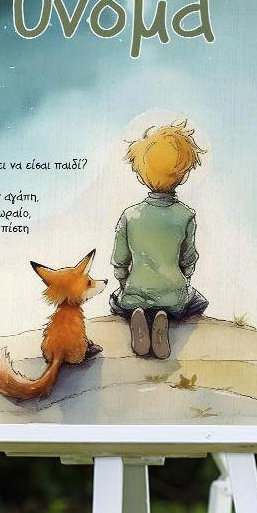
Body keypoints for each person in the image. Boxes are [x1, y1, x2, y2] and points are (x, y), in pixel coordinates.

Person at [108, 120, 209, 359]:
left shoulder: (130, 215)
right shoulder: (186, 215)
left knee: (115, 301)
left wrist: (124, 283)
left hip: (135, 292)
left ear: (142, 175)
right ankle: (165, 317)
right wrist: (184, 278)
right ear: (182, 175)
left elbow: (119, 261)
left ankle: (138, 315)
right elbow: (188, 259)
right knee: (198, 302)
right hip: (173, 294)